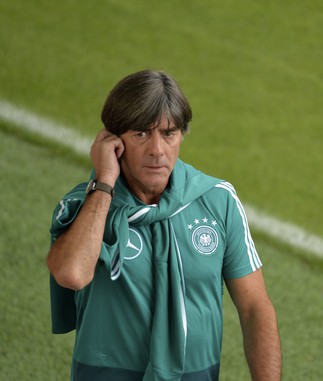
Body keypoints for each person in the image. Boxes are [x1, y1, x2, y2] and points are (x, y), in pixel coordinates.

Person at [47, 69, 282, 381]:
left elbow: (255, 308)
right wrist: (104, 182)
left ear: (181, 135)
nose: (157, 150)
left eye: (168, 133)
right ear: (113, 140)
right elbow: (71, 274)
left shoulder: (217, 200)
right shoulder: (86, 206)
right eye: (141, 134)